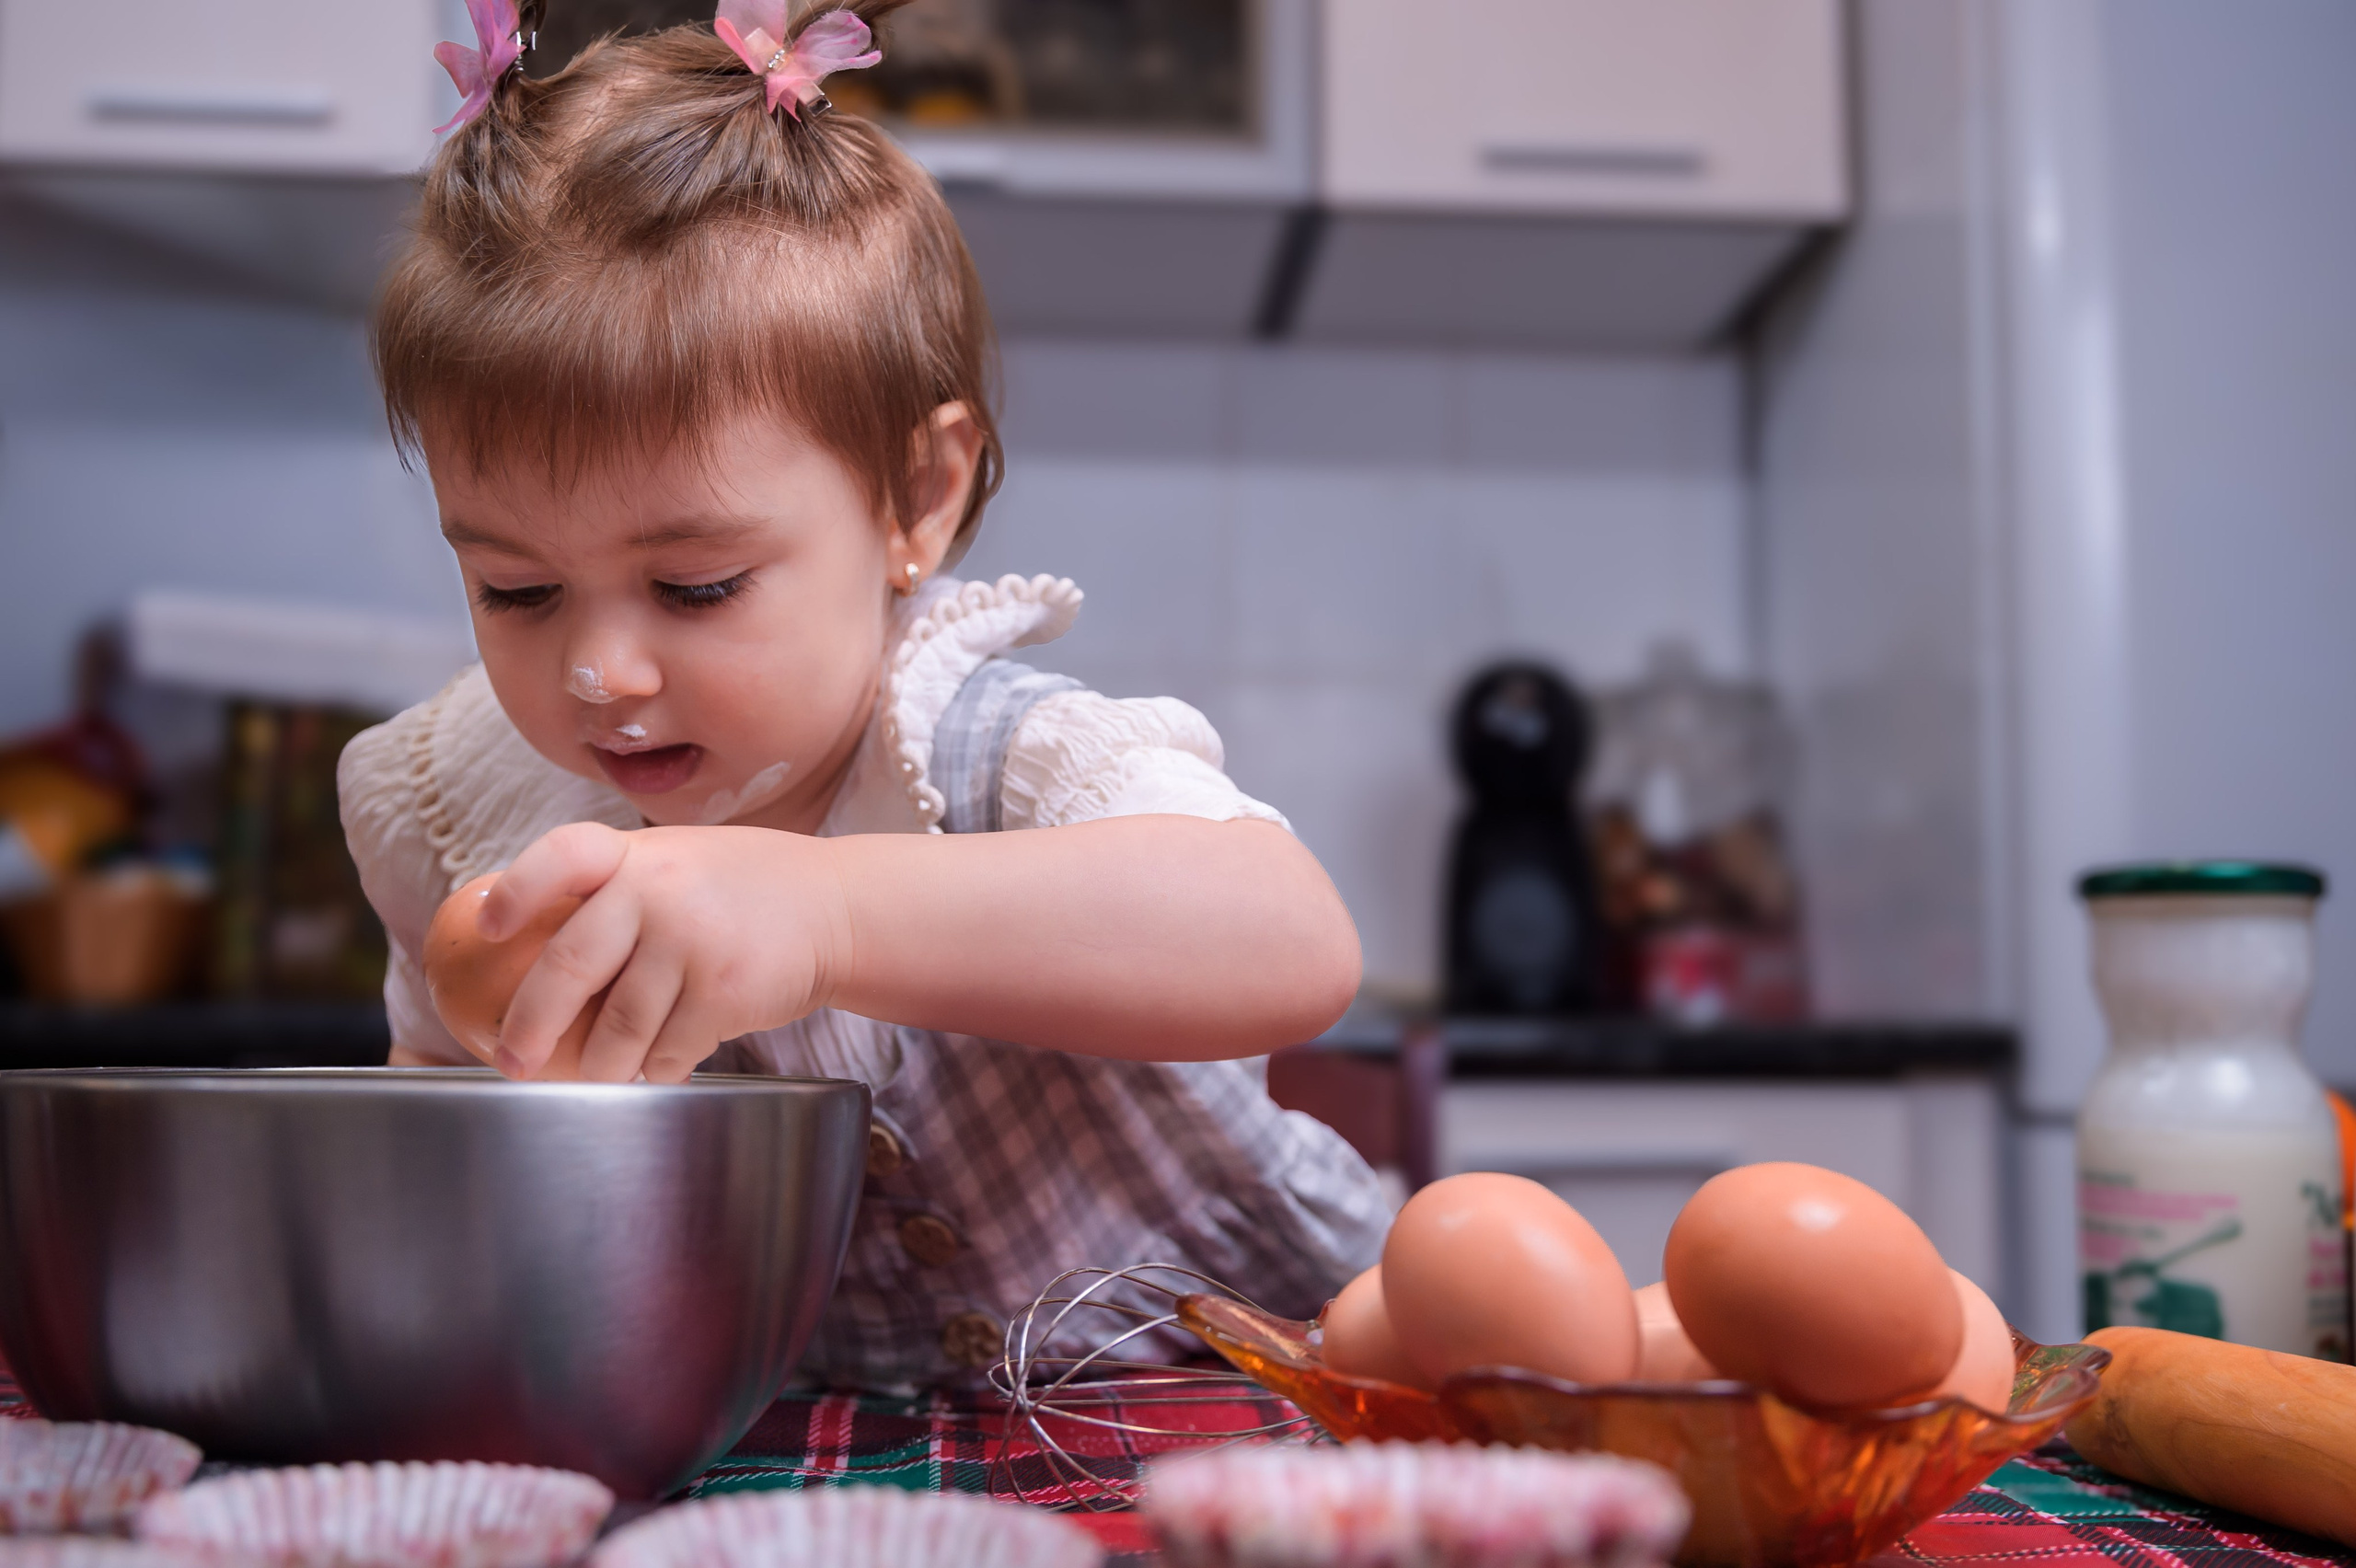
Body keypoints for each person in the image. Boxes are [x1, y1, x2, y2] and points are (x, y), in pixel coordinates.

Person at [337, 0, 1390, 1389]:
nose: (599, 672)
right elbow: (439, 1146)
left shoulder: (994, 756)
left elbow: (1294, 944)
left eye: (698, 585)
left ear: (919, 497)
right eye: (517, 593)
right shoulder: (463, 818)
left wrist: (823, 912)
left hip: (1241, 1387)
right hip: (808, 1452)